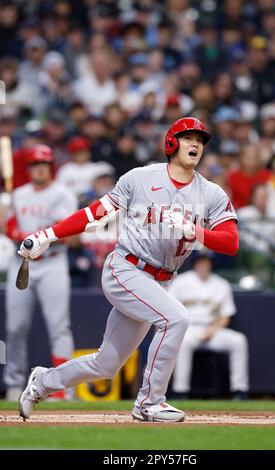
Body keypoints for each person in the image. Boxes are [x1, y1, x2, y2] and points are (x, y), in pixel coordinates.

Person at [18, 117, 239, 423]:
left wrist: (196, 232)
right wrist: (48, 235)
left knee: (106, 365)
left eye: (200, 140)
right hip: (126, 267)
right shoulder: (139, 178)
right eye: (188, 138)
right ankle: (150, 402)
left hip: (158, 281)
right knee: (176, 318)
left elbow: (230, 243)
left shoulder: (211, 193)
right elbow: (96, 213)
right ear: (172, 143)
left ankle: (42, 382)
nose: (195, 145)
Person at [4, 145, 77, 401]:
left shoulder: (62, 194)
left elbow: (68, 234)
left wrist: (35, 238)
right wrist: (11, 228)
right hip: (23, 264)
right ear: (29, 168)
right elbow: (7, 222)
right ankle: (13, 384)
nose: (39, 168)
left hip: (52, 262)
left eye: (44, 164)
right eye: (35, 165)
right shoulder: (19, 194)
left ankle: (63, 387)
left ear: (50, 167)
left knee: (59, 327)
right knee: (15, 327)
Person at [169, 251, 249, 399]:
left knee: (239, 340)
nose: (204, 264)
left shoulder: (221, 284)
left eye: (207, 261)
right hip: (188, 329)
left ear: (211, 263)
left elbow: (226, 316)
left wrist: (214, 329)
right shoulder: (181, 281)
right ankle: (180, 391)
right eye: (201, 260)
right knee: (185, 343)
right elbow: (168, 310)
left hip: (212, 329)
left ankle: (240, 390)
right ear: (195, 262)